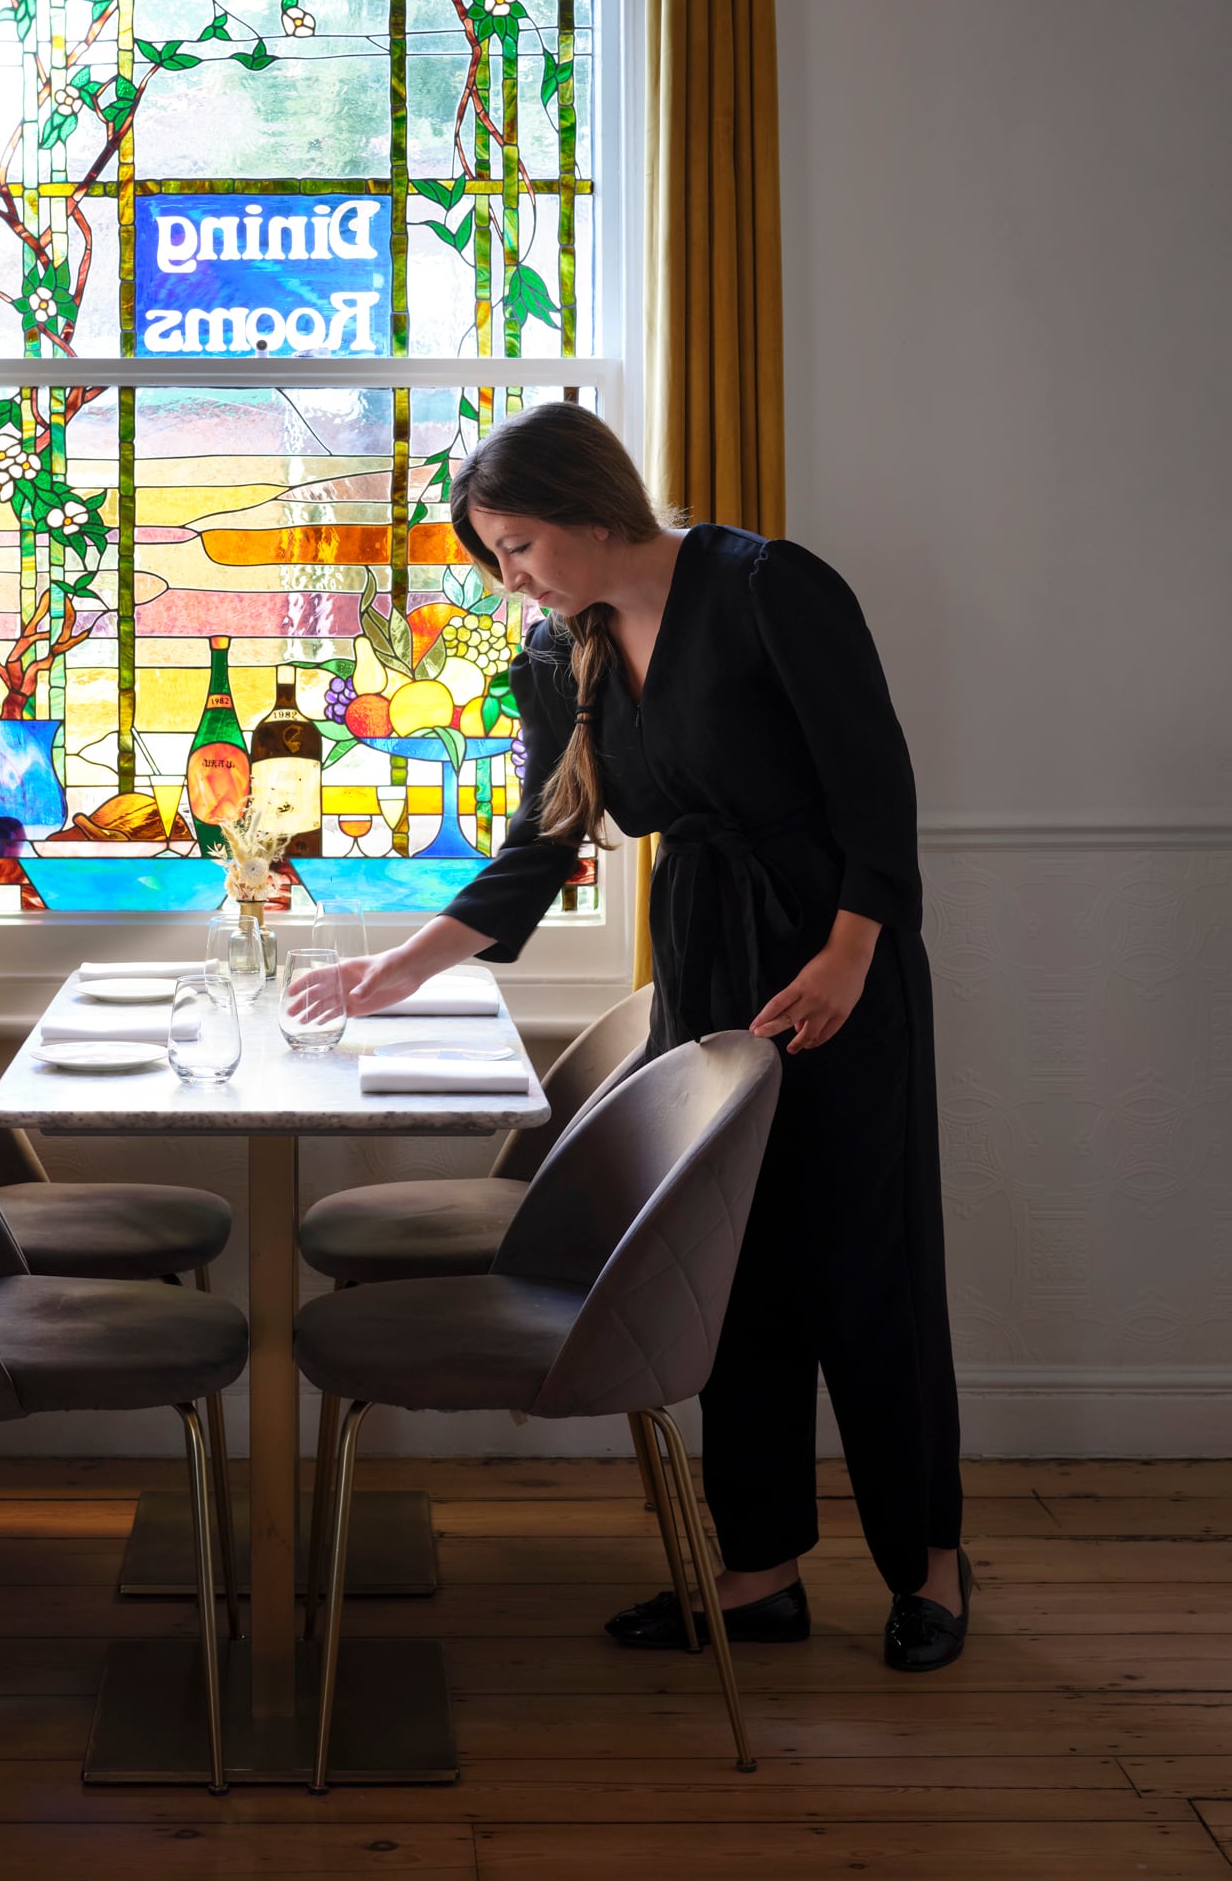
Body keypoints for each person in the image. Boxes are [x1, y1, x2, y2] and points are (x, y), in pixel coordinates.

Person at [330, 401, 969, 1672]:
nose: (510, 578)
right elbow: (542, 842)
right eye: (495, 556)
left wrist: (850, 955)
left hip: (836, 956)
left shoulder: (771, 587)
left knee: (866, 1268)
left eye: (517, 545)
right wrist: (400, 966)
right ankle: (760, 1570)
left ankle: (930, 1563)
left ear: (589, 504)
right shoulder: (553, 655)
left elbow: (877, 786)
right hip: (705, 965)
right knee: (731, 1267)